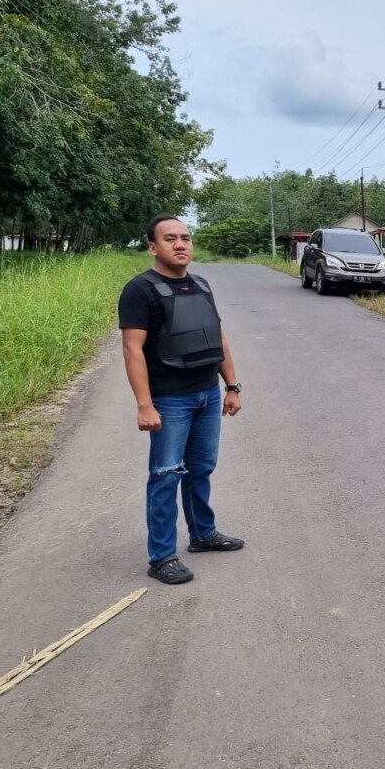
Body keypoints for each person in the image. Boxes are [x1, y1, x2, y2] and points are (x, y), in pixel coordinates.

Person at [118, 215, 244, 584]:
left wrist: (232, 386)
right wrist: (145, 404)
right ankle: (161, 557)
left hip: (207, 394)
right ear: (152, 247)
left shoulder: (201, 285)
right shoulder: (139, 290)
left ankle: (203, 534)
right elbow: (132, 349)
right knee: (165, 475)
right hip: (170, 399)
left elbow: (217, 337)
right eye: (170, 238)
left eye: (185, 238)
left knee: (200, 469)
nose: (180, 244)